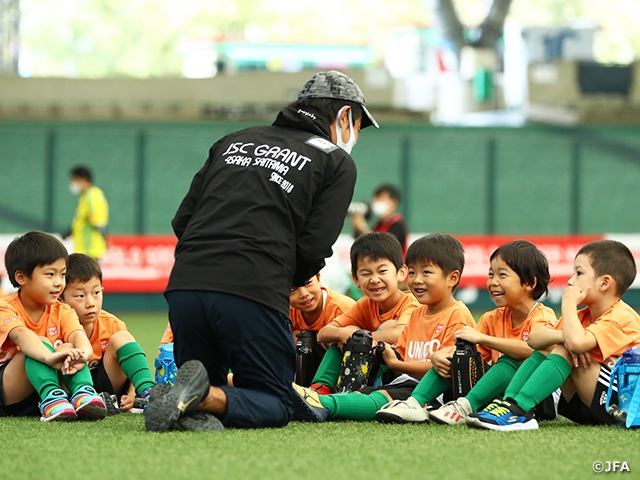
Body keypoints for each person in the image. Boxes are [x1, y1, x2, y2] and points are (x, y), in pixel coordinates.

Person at [145, 70, 379, 432]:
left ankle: (190, 401)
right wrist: (280, 281)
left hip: (186, 285)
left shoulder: (234, 140)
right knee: (277, 402)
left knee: (209, 381)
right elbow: (315, 246)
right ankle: (204, 398)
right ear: (345, 116)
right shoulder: (335, 161)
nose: (356, 138)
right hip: (253, 287)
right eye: (359, 127)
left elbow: (183, 220)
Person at [291, 233, 476, 423]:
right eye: (413, 273)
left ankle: (321, 403)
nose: (417, 280)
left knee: (379, 396)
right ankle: (317, 391)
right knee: (367, 387)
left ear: (452, 278)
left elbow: (446, 369)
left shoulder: (454, 313)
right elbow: (401, 354)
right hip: (403, 381)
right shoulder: (418, 314)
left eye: (426, 273)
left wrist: (393, 361)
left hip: (432, 393)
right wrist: (377, 349)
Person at [374, 240, 555, 425]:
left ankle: (463, 407)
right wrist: (439, 356)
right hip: (499, 397)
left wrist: (483, 338)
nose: (493, 282)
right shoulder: (491, 318)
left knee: (508, 361)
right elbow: (467, 353)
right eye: (491, 275)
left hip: (536, 396)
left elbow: (533, 351)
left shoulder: (542, 314)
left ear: (529, 283)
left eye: (502, 275)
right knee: (456, 357)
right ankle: (415, 403)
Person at [468, 239, 640, 430]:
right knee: (551, 347)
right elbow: (534, 340)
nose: (570, 280)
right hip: (586, 404)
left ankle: (520, 411)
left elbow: (575, 343)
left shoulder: (621, 316)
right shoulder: (582, 316)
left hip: (622, 407)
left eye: (579, 273)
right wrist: (563, 337)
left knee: (565, 349)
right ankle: (510, 404)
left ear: (604, 282)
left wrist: (568, 304)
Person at [0, 231, 106, 421]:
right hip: (10, 394)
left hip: (41, 392)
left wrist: (83, 354)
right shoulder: (5, 307)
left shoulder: (63, 310)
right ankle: (52, 398)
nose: (59, 283)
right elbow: (22, 336)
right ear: (21, 277)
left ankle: (84, 392)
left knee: (69, 348)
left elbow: (79, 337)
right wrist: (49, 357)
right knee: (36, 344)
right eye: (50, 274)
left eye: (62, 274)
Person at [307, 232, 420, 394]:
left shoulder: (411, 303)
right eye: (366, 273)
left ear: (401, 273)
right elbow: (323, 333)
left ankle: (347, 393)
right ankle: (319, 388)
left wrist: (358, 339)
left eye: (382, 271)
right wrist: (344, 334)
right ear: (356, 279)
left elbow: (399, 333)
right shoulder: (365, 304)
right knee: (343, 335)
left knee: (378, 329)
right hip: (370, 369)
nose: (374, 279)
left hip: (401, 375)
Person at [60, 253, 155, 414]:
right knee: (64, 349)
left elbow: (131, 365)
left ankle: (149, 393)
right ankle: (76, 401)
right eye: (80, 296)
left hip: (108, 385)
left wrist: (132, 393)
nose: (90, 303)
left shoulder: (111, 323)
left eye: (96, 293)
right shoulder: (54, 325)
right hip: (72, 390)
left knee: (122, 337)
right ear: (60, 299)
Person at [289, 273, 356, 342]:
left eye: (308, 283)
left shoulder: (340, 308)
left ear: (318, 278)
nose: (304, 294)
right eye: (292, 290)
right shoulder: (288, 313)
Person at [64, 165, 109, 260]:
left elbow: (94, 219)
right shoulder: (90, 195)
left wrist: (105, 239)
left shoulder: (90, 196)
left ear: (84, 179)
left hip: (89, 248)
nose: (73, 183)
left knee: (86, 274)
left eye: (75, 179)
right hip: (87, 248)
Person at [351, 184, 408, 258]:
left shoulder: (398, 225)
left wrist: (363, 228)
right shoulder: (378, 225)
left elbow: (384, 249)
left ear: (394, 202)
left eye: (381, 199)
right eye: (376, 199)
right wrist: (357, 229)